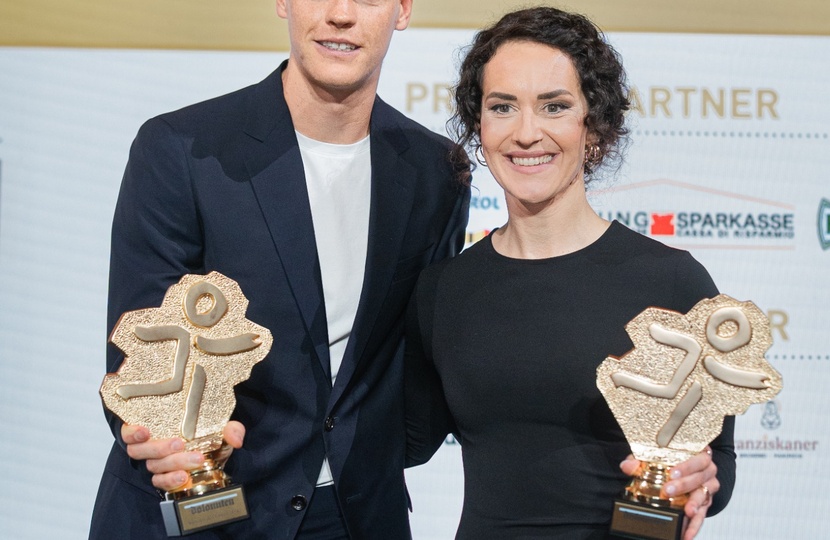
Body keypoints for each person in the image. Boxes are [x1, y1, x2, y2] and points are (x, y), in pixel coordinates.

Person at [89, 0, 470, 538]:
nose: (341, 14)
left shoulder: (436, 170)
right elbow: (142, 347)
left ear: (403, 9)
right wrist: (163, 442)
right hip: (205, 502)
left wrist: (379, 454)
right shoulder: (183, 148)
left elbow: (423, 348)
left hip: (358, 515)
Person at [404, 7, 735, 540]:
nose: (526, 133)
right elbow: (407, 442)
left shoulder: (670, 282)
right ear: (479, 127)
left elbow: (717, 462)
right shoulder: (443, 289)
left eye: (554, 107)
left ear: (593, 125)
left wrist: (700, 481)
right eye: (502, 107)